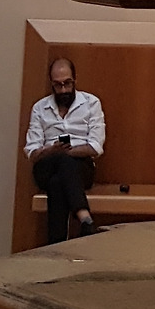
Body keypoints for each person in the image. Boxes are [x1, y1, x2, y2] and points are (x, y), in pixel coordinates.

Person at [24, 56, 106, 243]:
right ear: (51, 84)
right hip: (46, 165)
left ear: (75, 80)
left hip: (81, 167)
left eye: (67, 84)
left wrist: (65, 152)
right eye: (58, 85)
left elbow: (95, 147)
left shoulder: (91, 103)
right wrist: (53, 151)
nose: (63, 90)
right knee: (60, 163)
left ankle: (56, 245)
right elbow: (32, 152)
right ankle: (85, 218)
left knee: (57, 182)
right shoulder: (40, 108)